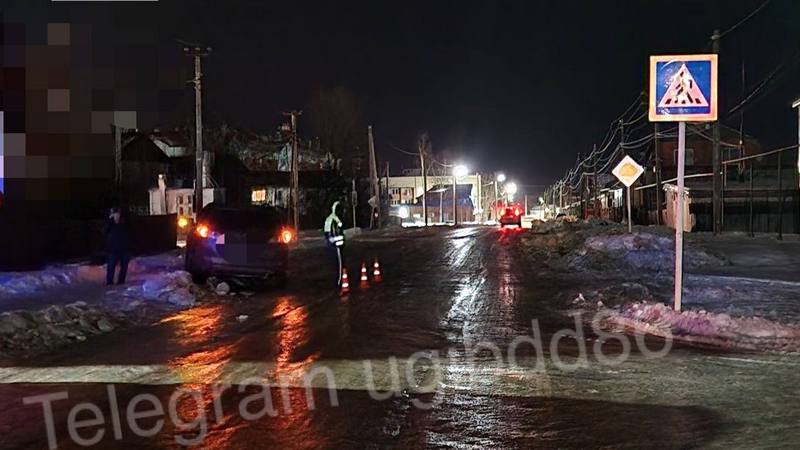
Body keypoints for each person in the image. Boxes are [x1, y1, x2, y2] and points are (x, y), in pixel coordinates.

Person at [105, 207, 131, 285]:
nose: (117, 217)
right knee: (111, 267)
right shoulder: (110, 224)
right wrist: (110, 220)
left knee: (124, 267)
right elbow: (104, 231)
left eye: (118, 215)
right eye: (115, 215)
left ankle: (121, 282)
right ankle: (109, 282)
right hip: (112, 249)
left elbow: (130, 234)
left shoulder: (125, 223)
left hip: (124, 248)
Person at [323, 200, 345, 287]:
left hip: (332, 246)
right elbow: (336, 234)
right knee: (339, 266)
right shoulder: (335, 219)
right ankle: (339, 282)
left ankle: (336, 281)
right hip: (336, 247)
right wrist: (340, 241)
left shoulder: (329, 219)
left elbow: (327, 234)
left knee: (334, 265)